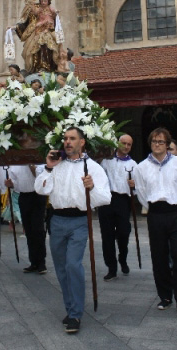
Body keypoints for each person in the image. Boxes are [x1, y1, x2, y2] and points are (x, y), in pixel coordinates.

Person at [35, 127, 111, 334]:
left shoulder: (92, 167)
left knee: (72, 265)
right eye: (65, 138)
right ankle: (70, 308)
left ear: (82, 142)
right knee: (60, 268)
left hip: (79, 220)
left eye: (72, 138)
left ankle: (76, 313)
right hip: (57, 220)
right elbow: (40, 189)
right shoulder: (56, 164)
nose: (67, 142)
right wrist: (48, 168)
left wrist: (92, 187)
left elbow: (105, 198)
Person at [132, 127, 177, 315]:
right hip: (156, 214)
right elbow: (141, 192)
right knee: (159, 256)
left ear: (168, 145)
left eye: (161, 142)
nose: (157, 145)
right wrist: (152, 207)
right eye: (154, 141)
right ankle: (165, 296)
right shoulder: (141, 167)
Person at [98, 134, 137, 280]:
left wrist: (134, 185)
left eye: (129, 144)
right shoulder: (107, 161)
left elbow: (138, 187)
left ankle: (123, 257)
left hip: (123, 200)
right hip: (107, 200)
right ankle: (111, 267)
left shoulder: (133, 164)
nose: (126, 146)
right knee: (107, 235)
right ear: (117, 144)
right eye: (124, 143)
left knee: (123, 233)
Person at [5, 164, 47, 274]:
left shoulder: (39, 162)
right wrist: (10, 184)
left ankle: (41, 262)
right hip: (24, 197)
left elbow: (40, 177)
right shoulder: (15, 165)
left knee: (38, 229)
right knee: (28, 230)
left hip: (37, 196)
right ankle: (33, 261)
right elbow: (15, 183)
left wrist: (31, 165)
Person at [11, 0, 59, 73]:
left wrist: (54, 17)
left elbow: (51, 13)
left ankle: (46, 67)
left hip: (46, 27)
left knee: (45, 44)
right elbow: (24, 20)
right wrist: (15, 27)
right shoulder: (28, 3)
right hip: (33, 29)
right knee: (31, 51)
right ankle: (35, 69)